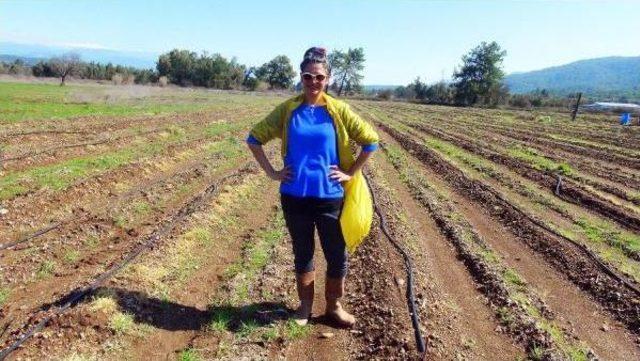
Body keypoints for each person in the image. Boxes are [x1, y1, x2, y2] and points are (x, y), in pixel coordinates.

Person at [246, 47, 379, 328]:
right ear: (301, 78)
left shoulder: (338, 110)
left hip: (330, 198)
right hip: (294, 198)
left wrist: (350, 172)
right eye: (308, 76)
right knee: (303, 253)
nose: (313, 82)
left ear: (327, 79)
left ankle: (334, 307)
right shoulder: (288, 109)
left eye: (319, 77)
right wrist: (272, 172)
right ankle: (304, 307)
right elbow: (254, 138)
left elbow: (371, 141)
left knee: (336, 254)